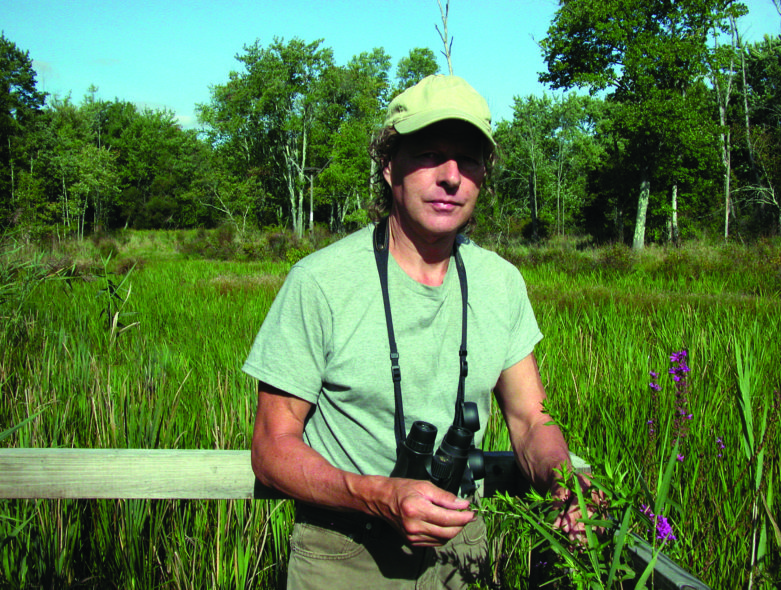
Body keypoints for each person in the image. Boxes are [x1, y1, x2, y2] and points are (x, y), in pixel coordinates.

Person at [244, 75, 586, 589]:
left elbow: (531, 422)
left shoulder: (501, 283)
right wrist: (377, 494)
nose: (451, 177)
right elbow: (272, 448)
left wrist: (567, 484)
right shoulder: (320, 281)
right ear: (389, 166)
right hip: (342, 554)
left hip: (461, 551)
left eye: (468, 161)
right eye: (429, 154)